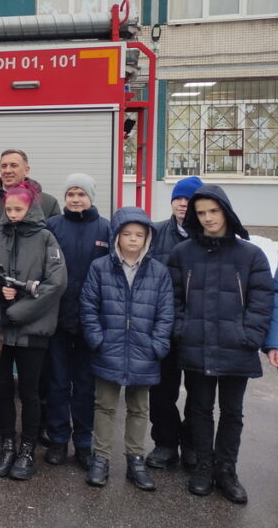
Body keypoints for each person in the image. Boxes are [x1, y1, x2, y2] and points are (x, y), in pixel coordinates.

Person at [168, 185, 272, 503]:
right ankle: (203, 465)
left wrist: (249, 336)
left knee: (232, 412)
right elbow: (173, 299)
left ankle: (227, 469)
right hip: (196, 344)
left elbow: (261, 300)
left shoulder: (250, 254)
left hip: (235, 346)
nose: (208, 218)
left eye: (213, 211)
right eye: (201, 213)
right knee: (199, 409)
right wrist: (182, 329)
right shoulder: (182, 254)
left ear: (225, 211)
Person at [0, 182, 66, 482]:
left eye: (19, 209)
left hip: (31, 331)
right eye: (9, 209)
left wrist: (17, 313)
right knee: (1, 390)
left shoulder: (45, 239)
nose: (13, 214)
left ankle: (27, 449)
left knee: (29, 393)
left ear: (31, 208)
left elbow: (55, 284)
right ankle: (7, 445)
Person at [79, 207, 173, 491]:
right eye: (127, 234)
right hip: (109, 348)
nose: (133, 239)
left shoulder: (158, 272)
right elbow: (88, 307)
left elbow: (166, 313)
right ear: (116, 236)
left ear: (147, 238)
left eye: (139, 235)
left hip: (144, 351)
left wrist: (157, 345)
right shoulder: (100, 267)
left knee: (139, 408)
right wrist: (97, 339)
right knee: (104, 406)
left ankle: (135, 459)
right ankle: (101, 459)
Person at [42, 173, 110, 469]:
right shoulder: (52, 227)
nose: (76, 199)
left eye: (81, 194)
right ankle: (58, 439)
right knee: (56, 383)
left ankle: (84, 443)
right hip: (56, 318)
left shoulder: (106, 229)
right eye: (71, 193)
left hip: (91, 322)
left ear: (91, 197)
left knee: (85, 385)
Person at [144, 175, 202, 471]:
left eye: (189, 199)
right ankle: (165, 443)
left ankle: (192, 445)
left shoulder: (208, 236)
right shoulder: (155, 233)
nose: (183, 203)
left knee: (198, 391)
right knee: (162, 388)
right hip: (162, 326)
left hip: (197, 328)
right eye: (178, 198)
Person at [0, 150, 60, 233]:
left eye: (14, 165)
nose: (8, 170)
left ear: (26, 170)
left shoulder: (49, 203)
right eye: (4, 166)